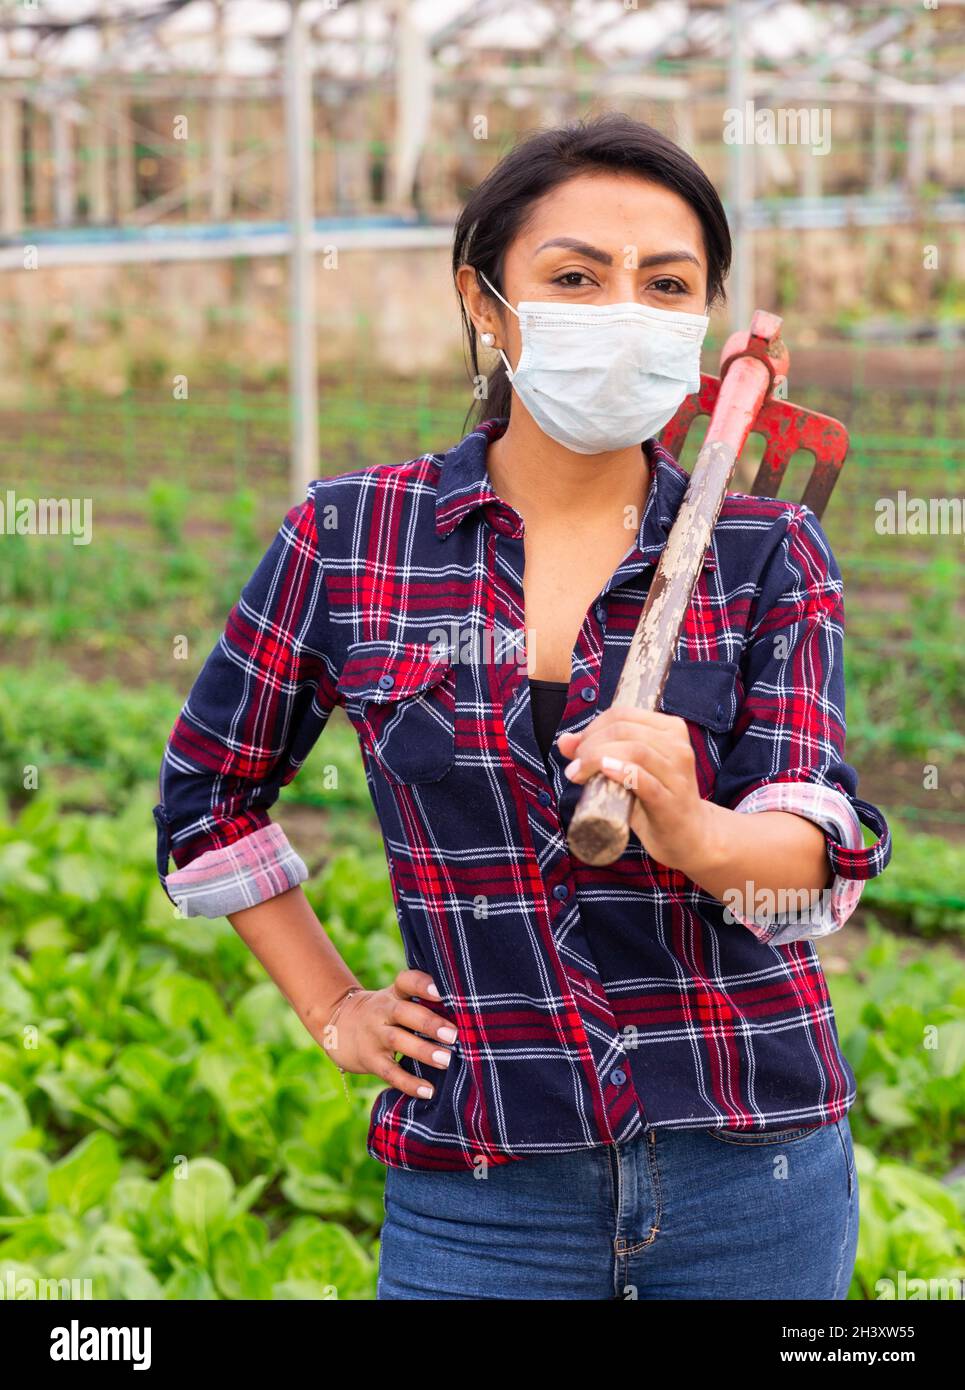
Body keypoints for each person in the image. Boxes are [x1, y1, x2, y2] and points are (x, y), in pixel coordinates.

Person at [153, 113, 891, 1301]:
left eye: (664, 283)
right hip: (481, 1185)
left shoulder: (765, 550)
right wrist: (333, 1003)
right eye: (573, 277)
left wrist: (693, 825)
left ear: (704, 319)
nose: (620, 312)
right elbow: (208, 796)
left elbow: (809, 864)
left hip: (754, 1169)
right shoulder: (349, 538)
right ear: (486, 304)